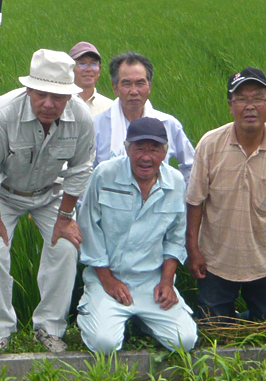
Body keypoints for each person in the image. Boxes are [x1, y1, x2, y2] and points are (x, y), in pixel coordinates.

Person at [0, 49, 96, 353]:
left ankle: (50, 328)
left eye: (58, 97)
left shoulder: (81, 116)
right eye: (41, 95)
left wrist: (66, 217)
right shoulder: (1, 114)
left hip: (50, 193)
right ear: (28, 89)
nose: (49, 104)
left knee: (66, 249)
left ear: (69, 95)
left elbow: (81, 169)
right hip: (1, 196)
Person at [185, 68, 266, 325]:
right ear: (230, 106)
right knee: (213, 330)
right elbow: (194, 202)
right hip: (217, 259)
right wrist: (193, 250)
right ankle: (228, 318)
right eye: (241, 99)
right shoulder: (210, 144)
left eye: (257, 98)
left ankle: (241, 318)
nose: (250, 106)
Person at [77, 117, 198, 354]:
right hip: (108, 278)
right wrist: (108, 280)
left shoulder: (174, 181)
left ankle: (144, 321)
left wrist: (166, 281)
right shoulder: (104, 175)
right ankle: (90, 310)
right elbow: (89, 229)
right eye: (139, 148)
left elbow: (175, 237)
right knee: (105, 344)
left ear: (165, 153)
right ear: (126, 148)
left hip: (151, 281)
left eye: (154, 150)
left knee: (185, 341)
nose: (146, 157)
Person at [93, 52, 195, 181]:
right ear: (115, 88)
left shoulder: (168, 124)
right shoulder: (97, 126)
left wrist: (179, 196)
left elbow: (192, 166)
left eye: (140, 83)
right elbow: (86, 172)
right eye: (126, 84)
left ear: (149, 86)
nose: (134, 91)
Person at [70, 42, 114, 116]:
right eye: (82, 64)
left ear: (99, 70)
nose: (89, 69)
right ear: (70, 69)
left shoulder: (110, 108)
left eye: (93, 64)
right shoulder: (61, 104)